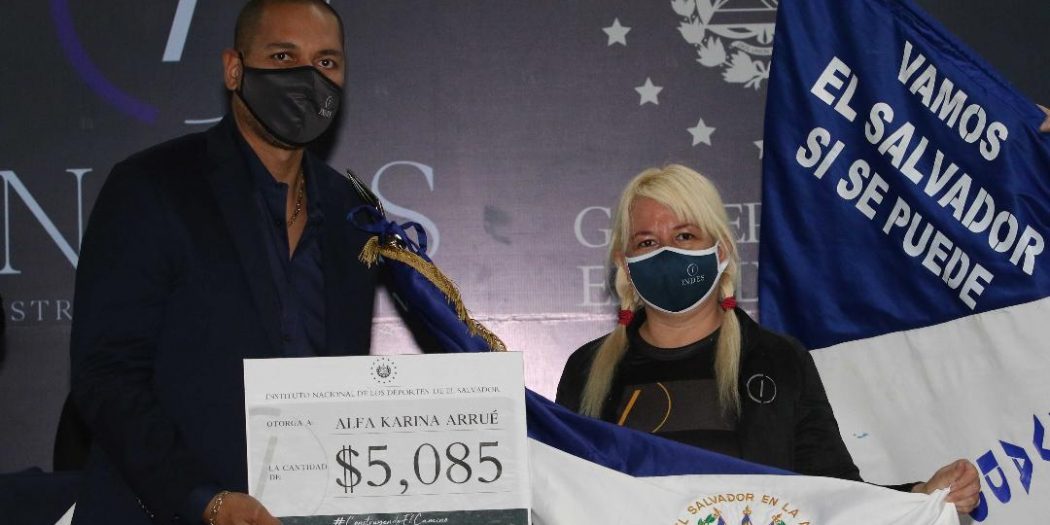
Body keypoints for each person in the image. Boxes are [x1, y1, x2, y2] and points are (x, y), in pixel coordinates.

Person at [69, 1, 377, 524]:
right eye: (283, 57)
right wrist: (204, 501)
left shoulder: (354, 214)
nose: (308, 78)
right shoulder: (152, 187)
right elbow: (106, 375)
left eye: (326, 62)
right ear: (234, 69)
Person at [556, 164, 981, 513]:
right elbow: (561, 498)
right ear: (624, 263)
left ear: (721, 251)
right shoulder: (587, 370)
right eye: (647, 242)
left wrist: (921, 497)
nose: (667, 252)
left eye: (684, 236)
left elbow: (834, 493)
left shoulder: (778, 359)